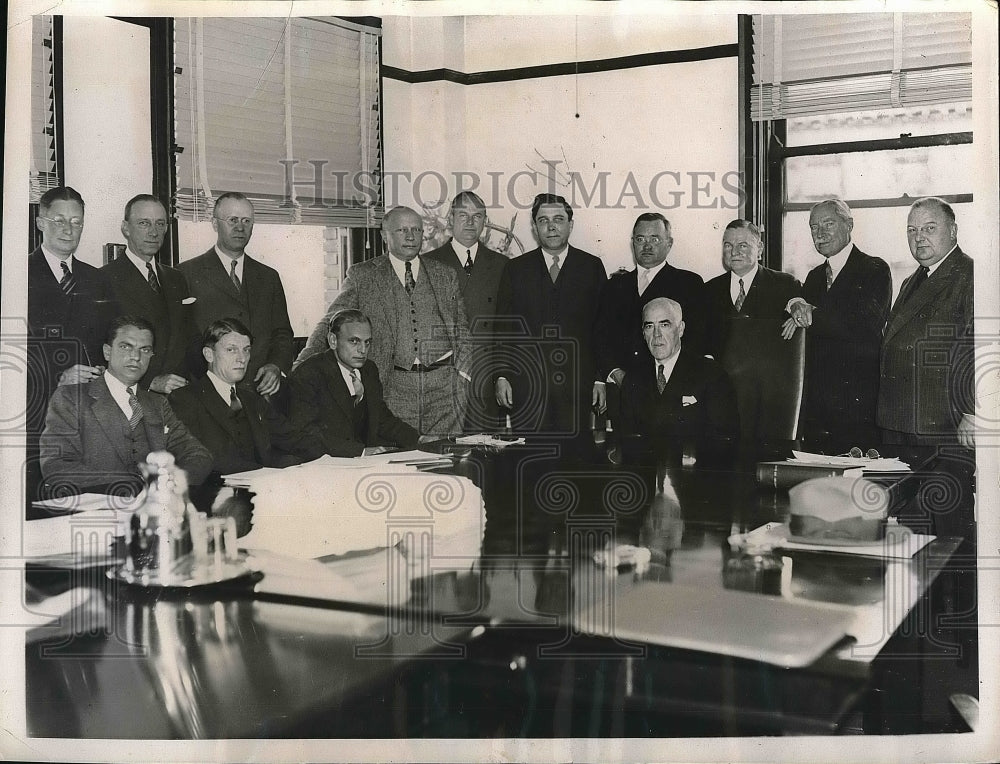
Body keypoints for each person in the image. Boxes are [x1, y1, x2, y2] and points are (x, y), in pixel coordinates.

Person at [296, 206, 471, 436]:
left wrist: (464, 377)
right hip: (393, 388)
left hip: (444, 390)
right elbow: (331, 322)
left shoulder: (444, 274)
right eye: (402, 230)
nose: (410, 236)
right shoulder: (363, 275)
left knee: (445, 460)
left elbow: (462, 329)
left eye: (416, 230)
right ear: (384, 235)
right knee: (397, 460)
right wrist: (301, 365)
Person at [878, 197, 975, 538]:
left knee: (947, 528)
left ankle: (955, 593)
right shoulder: (912, 280)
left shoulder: (970, 275)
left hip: (944, 426)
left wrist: (973, 413)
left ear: (953, 230)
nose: (919, 237)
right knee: (911, 526)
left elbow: (981, 347)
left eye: (929, 228)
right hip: (903, 424)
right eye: (912, 230)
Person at [39, 315, 212, 496]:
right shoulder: (72, 398)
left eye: (145, 350)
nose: (136, 357)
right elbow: (56, 466)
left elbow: (198, 455)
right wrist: (128, 485)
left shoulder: (157, 403)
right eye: (125, 347)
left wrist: (169, 482)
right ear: (107, 352)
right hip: (98, 512)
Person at [26, 186, 118, 513]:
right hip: (38, 416)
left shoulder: (97, 280)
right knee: (45, 511)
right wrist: (58, 376)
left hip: (91, 417)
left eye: (76, 222)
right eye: (59, 220)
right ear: (40, 223)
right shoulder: (17, 276)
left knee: (94, 508)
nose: (68, 229)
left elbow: (110, 340)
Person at [494, 193, 607, 443]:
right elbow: (504, 327)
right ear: (534, 227)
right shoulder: (516, 269)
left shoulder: (591, 267)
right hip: (528, 386)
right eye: (543, 220)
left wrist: (600, 378)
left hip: (578, 386)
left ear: (570, 224)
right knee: (530, 462)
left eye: (558, 219)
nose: (551, 226)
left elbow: (603, 329)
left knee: (575, 462)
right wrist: (502, 375)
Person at [784, 199, 891, 454]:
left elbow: (863, 325)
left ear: (849, 225)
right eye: (813, 227)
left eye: (828, 224)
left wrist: (811, 314)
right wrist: (795, 306)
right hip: (818, 411)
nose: (820, 233)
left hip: (859, 407)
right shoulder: (813, 277)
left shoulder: (875, 268)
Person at [178, 192, 293, 397]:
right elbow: (182, 339)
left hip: (262, 393)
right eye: (232, 220)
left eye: (247, 221)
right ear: (215, 224)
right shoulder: (185, 273)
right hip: (208, 394)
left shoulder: (268, 277)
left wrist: (276, 366)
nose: (240, 227)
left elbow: (282, 333)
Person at [704, 220, 802, 448]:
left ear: (760, 249)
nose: (734, 251)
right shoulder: (708, 290)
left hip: (770, 407)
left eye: (743, 245)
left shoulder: (785, 285)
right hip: (723, 405)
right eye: (727, 245)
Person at [169, 318, 309, 476]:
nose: (242, 358)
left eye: (246, 350)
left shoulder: (253, 399)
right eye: (231, 350)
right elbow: (199, 461)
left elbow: (295, 439)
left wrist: (335, 458)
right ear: (209, 354)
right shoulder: (184, 399)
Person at [615, 298, 739, 471]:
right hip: (646, 482)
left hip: (695, 481)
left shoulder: (711, 374)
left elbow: (724, 441)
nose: (656, 335)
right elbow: (628, 441)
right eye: (649, 326)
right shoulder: (634, 378)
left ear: (680, 329)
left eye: (664, 325)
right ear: (643, 333)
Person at [424, 191, 508, 431]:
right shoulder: (428, 263)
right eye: (463, 215)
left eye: (477, 216)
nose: (470, 222)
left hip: (486, 379)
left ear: (485, 221)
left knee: (486, 454)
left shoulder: (503, 265)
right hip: (443, 379)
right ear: (450, 219)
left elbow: (507, 327)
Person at [595, 212, 706, 393]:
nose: (646, 246)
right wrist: (615, 373)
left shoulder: (688, 283)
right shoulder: (614, 286)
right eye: (640, 239)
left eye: (655, 239)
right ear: (633, 244)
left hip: (670, 389)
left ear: (669, 244)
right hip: (623, 390)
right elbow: (601, 336)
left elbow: (697, 337)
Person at [289, 309, 419, 457]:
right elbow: (305, 433)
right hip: (323, 464)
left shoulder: (369, 370)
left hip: (362, 463)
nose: (363, 350)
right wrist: (361, 452)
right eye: (354, 341)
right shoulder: (309, 374)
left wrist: (419, 439)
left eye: (367, 342)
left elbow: (382, 419)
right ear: (333, 341)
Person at [101, 194, 198, 394]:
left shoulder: (176, 278)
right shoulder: (104, 278)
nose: (154, 232)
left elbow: (189, 338)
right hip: (135, 395)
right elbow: (101, 350)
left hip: (180, 395)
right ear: (125, 228)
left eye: (160, 223)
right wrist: (150, 382)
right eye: (144, 223)